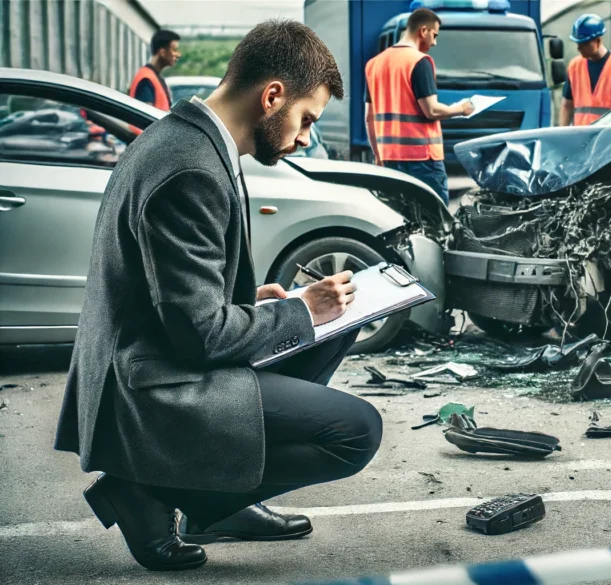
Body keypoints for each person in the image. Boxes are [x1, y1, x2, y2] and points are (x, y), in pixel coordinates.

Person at [54, 20, 382, 571]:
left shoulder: (187, 138)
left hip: (155, 352)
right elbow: (199, 336)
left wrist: (262, 300)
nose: (305, 137)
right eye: (306, 120)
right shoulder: (190, 168)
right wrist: (296, 309)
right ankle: (153, 493)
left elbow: (165, 288)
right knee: (355, 432)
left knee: (336, 324)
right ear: (272, 95)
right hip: (149, 383)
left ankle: (219, 497)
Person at [364, 7, 474, 206]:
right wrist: (461, 109)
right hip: (422, 158)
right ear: (423, 31)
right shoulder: (419, 61)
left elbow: (369, 117)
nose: (434, 42)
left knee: (399, 216)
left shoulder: (374, 64)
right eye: (434, 35)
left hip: (389, 156)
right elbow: (431, 110)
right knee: (435, 217)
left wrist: (378, 155)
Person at [560, 14, 611, 127]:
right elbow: (567, 105)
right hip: (581, 138)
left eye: (584, 43)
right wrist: (561, 137)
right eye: (578, 43)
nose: (579, 48)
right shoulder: (574, 66)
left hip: (610, 139)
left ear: (598, 40)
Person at [129, 29, 181, 110]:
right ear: (162, 52)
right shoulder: (146, 80)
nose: (178, 55)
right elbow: (144, 116)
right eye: (174, 50)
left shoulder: (154, 77)